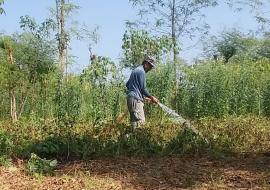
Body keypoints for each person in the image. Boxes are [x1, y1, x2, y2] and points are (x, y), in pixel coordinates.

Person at [126, 55, 159, 129]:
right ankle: (131, 139)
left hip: (130, 99)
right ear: (146, 63)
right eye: (150, 66)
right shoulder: (141, 72)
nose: (150, 69)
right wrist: (152, 97)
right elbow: (143, 89)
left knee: (134, 124)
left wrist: (141, 96)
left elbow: (128, 85)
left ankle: (128, 139)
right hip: (136, 100)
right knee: (141, 124)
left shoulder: (135, 70)